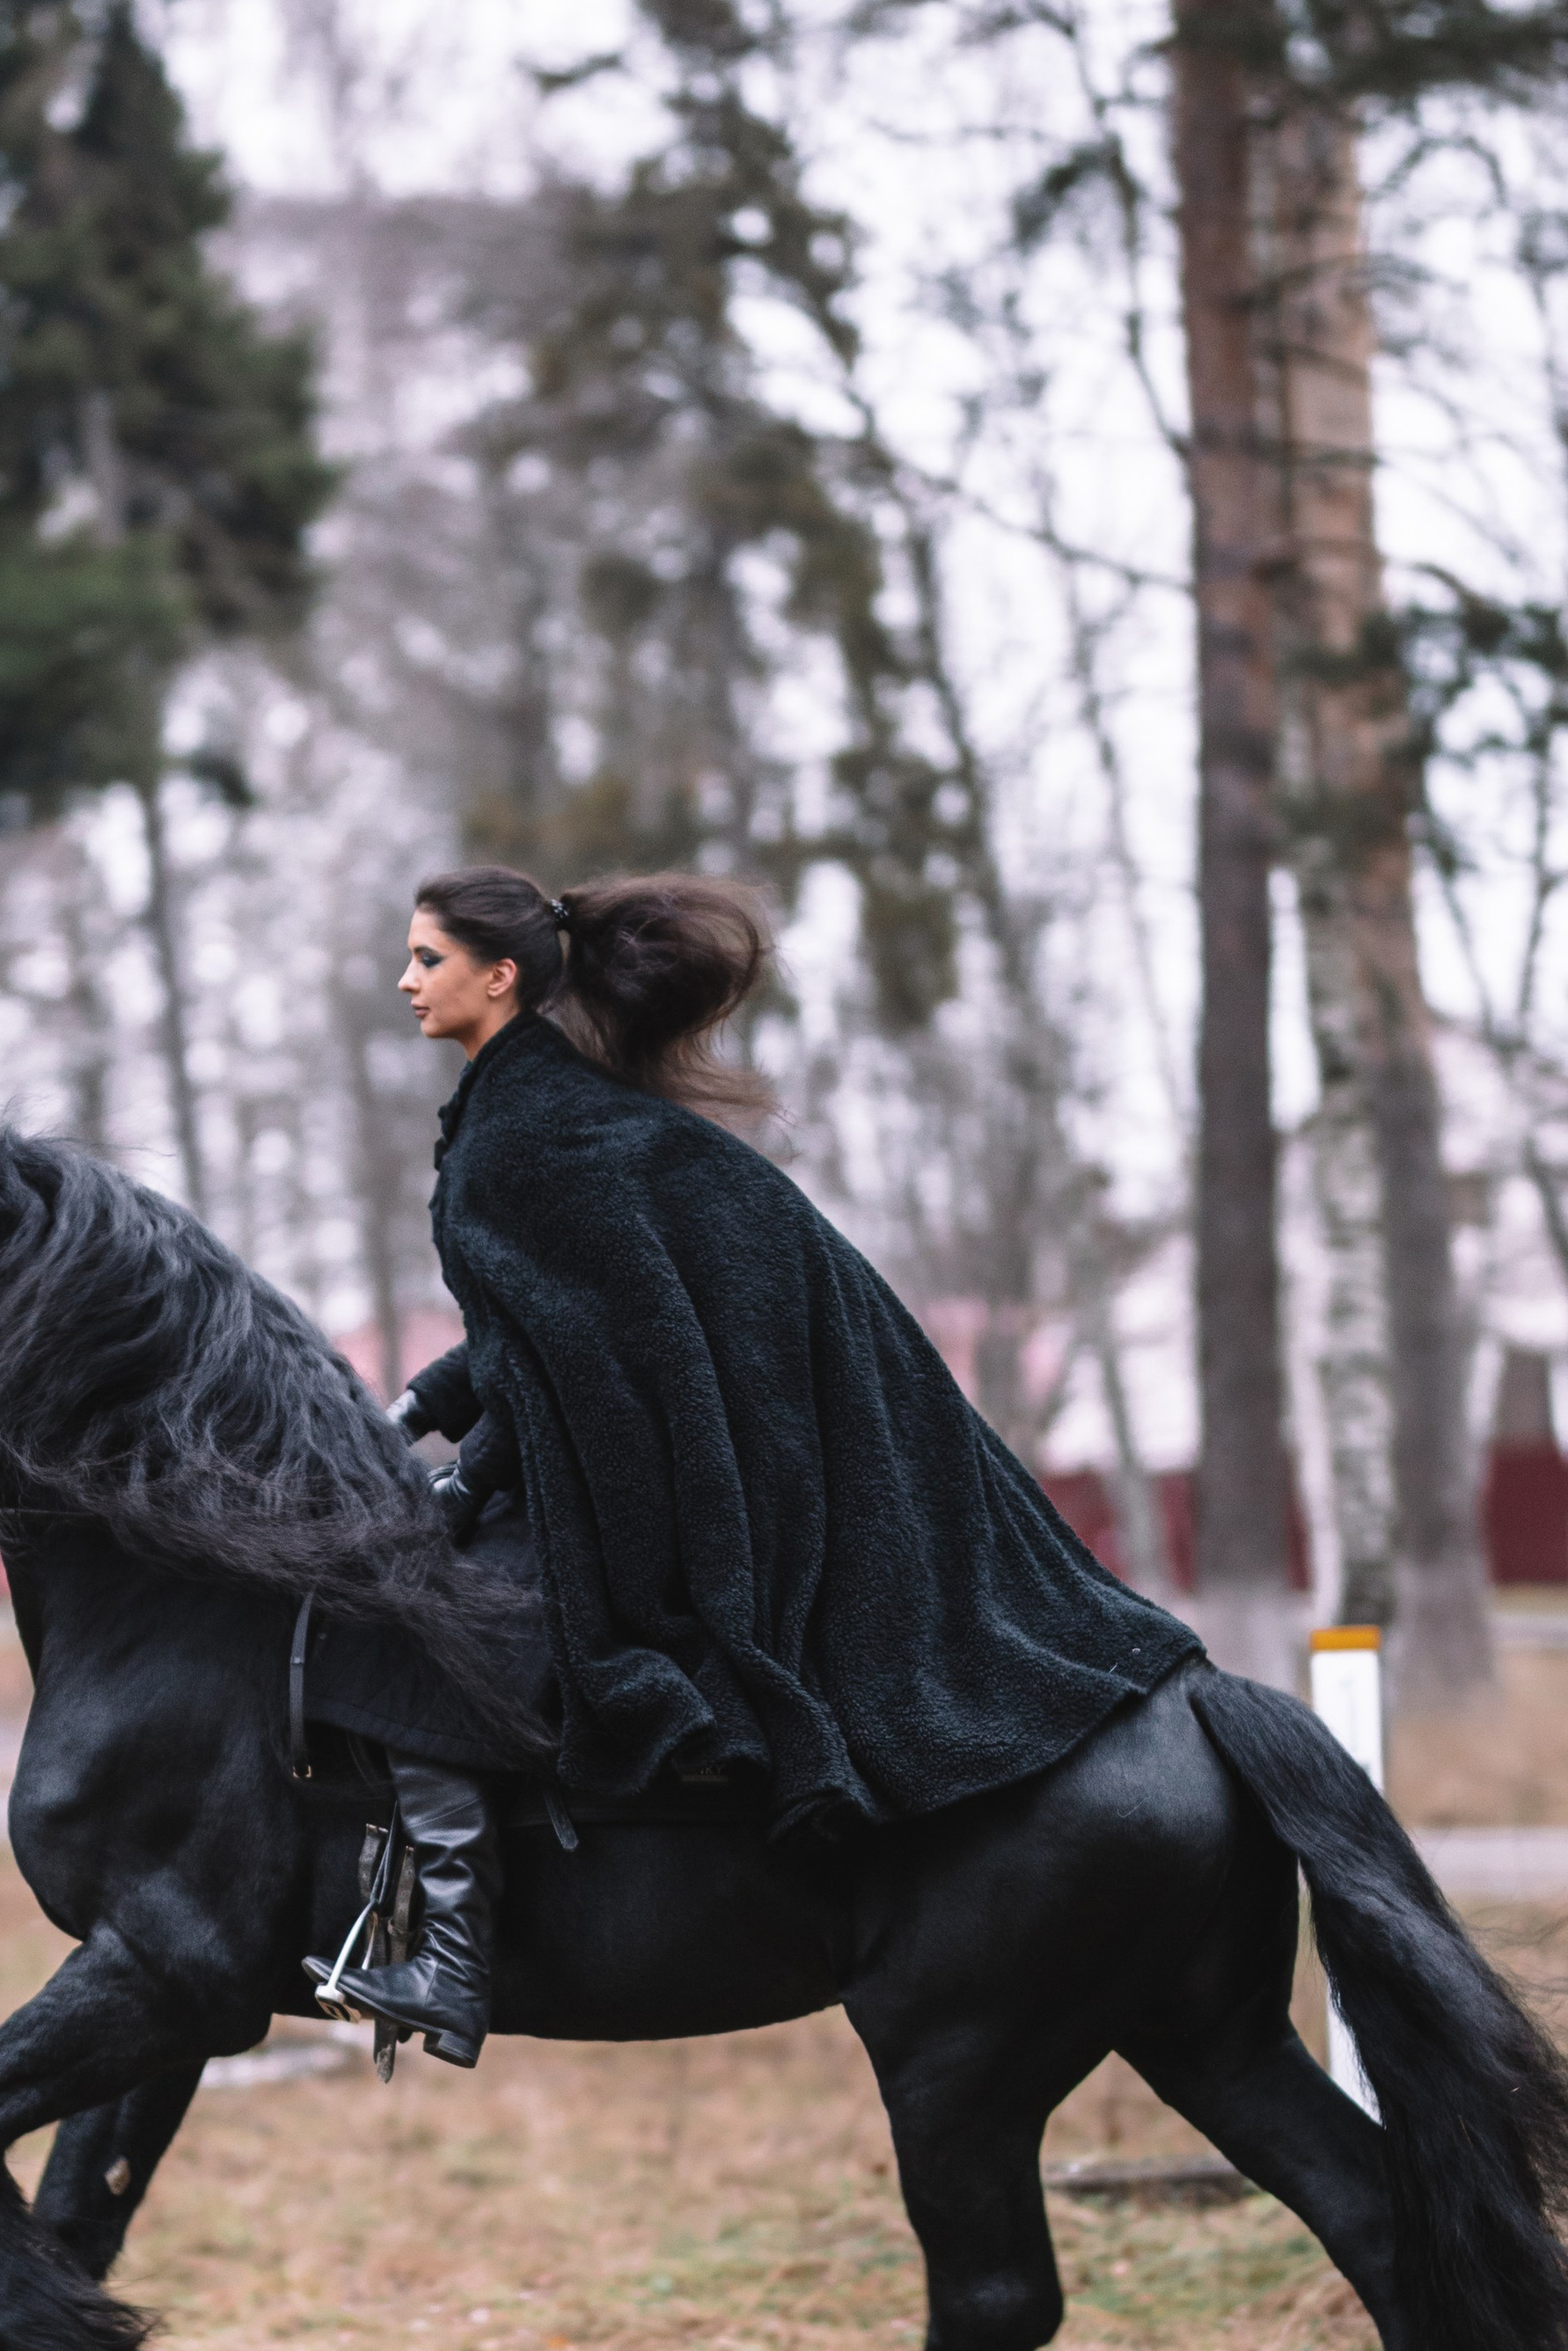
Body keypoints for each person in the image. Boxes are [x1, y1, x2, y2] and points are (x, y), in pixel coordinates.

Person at [313, 866, 1200, 2067]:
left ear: (500, 975)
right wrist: (409, 1410)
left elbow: (580, 1364)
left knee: (426, 1626)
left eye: (427, 958)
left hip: (638, 1487)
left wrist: (462, 1483)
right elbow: (542, 1326)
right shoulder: (531, 1110)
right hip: (618, 1449)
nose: (408, 981)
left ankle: (455, 1956)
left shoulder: (528, 1130)